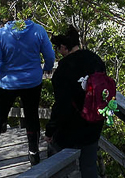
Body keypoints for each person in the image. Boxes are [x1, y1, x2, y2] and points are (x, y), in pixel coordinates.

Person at [0, 17, 55, 165]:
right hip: (32, 82)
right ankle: (33, 153)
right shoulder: (38, 31)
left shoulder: (2, 33)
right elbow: (49, 55)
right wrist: (47, 67)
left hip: (7, 83)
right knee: (32, 116)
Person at [45, 25, 107, 178]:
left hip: (71, 126)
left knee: (56, 160)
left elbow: (61, 105)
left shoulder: (63, 70)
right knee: (89, 165)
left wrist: (50, 130)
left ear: (64, 47)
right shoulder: (95, 60)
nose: (59, 52)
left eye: (59, 48)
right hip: (95, 121)